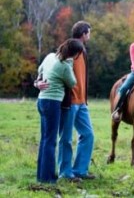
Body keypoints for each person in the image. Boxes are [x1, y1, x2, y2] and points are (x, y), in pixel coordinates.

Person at [35, 38, 84, 184]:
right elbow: (73, 82)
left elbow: (40, 70)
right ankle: (48, 178)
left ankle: (41, 175)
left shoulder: (50, 56)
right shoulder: (64, 65)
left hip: (42, 100)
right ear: (74, 54)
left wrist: (38, 82)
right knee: (51, 141)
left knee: (45, 139)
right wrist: (70, 63)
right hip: (53, 103)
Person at [57, 21, 95, 180]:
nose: (90, 35)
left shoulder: (83, 50)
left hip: (81, 103)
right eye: (89, 32)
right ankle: (65, 172)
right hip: (70, 102)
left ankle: (80, 170)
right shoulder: (70, 49)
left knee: (88, 135)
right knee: (66, 138)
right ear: (84, 34)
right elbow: (58, 67)